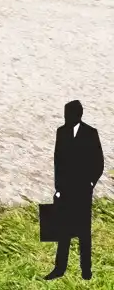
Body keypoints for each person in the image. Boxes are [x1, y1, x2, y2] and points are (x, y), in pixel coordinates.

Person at [50, 100, 103, 281]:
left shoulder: (90, 133)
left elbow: (99, 162)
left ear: (78, 115)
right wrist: (57, 188)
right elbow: (58, 162)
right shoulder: (61, 132)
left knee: (83, 232)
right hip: (65, 190)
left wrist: (90, 183)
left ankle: (86, 272)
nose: (66, 117)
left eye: (69, 114)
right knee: (63, 231)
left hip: (82, 191)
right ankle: (59, 269)